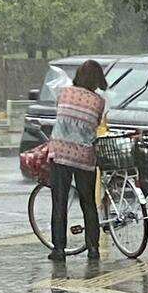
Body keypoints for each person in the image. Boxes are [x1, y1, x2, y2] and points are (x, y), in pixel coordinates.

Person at [48, 60, 107, 262]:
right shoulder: (99, 102)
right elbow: (96, 123)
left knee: (60, 202)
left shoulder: (64, 93)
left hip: (60, 153)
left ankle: (58, 250)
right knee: (88, 202)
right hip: (84, 155)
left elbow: (60, 113)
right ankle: (93, 248)